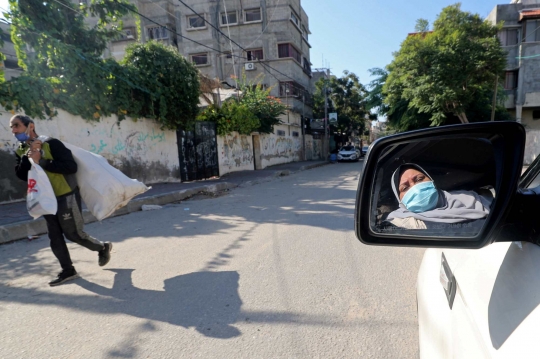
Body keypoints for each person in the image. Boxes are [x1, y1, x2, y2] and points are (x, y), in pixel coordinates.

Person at [10, 114, 113, 286]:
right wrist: (28, 158)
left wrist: (41, 161)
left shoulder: (51, 143)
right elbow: (21, 175)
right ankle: (68, 270)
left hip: (66, 194)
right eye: (12, 127)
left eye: (17, 126)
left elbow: (71, 167)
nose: (14, 131)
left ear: (31, 126)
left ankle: (102, 247)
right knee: (54, 236)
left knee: (73, 234)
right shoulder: (21, 150)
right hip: (45, 198)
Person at [384, 163, 493, 230]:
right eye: (405, 188)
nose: (415, 188)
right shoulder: (399, 222)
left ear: (432, 181)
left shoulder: (472, 199)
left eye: (419, 179)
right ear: (399, 200)